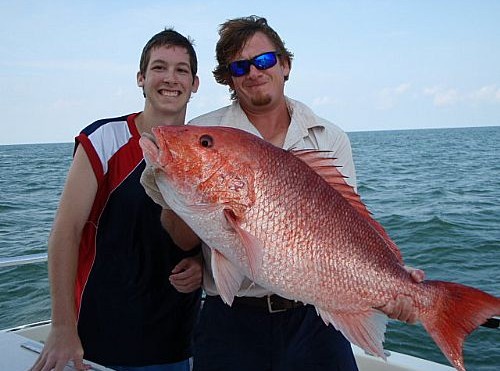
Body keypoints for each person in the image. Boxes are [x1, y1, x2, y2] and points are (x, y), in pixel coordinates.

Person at [188, 16, 425, 371]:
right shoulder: (202, 134)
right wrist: (193, 261)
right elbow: (189, 221)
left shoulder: (330, 138)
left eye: (264, 60)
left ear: (285, 65)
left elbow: (348, 227)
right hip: (232, 319)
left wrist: (392, 277)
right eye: (240, 66)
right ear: (229, 79)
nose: (254, 72)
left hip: (315, 320)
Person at [30, 28, 202, 371]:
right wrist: (62, 327)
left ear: (195, 83)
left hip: (177, 344)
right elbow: (66, 231)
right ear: (141, 78)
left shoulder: (203, 149)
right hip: (99, 342)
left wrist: (202, 264)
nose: (170, 78)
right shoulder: (105, 139)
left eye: (181, 70)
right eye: (159, 67)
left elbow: (213, 228)